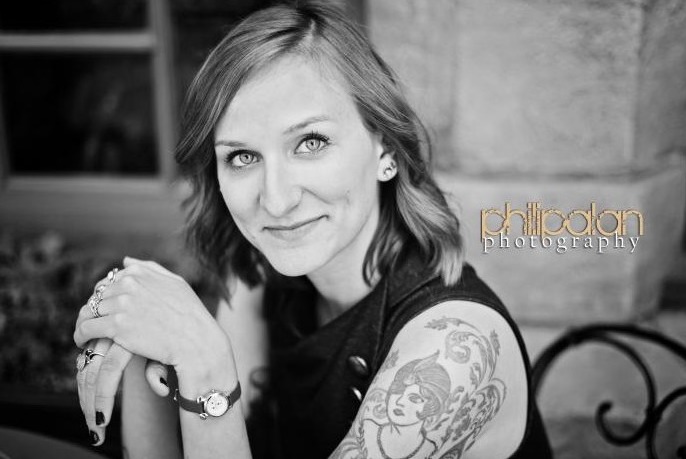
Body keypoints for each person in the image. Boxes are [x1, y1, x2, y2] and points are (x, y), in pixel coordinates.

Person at [73, 2, 553, 458]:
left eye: (311, 142)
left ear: (386, 150)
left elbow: (210, 392)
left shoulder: (451, 350)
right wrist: (138, 338)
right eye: (242, 156)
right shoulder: (261, 273)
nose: (276, 200)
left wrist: (206, 371)